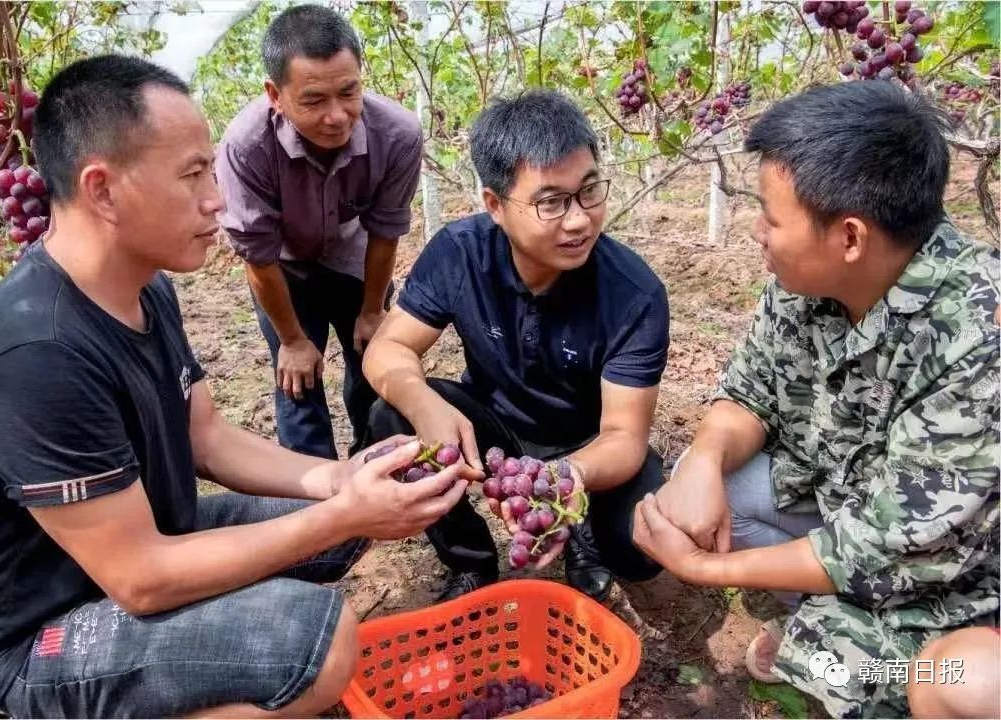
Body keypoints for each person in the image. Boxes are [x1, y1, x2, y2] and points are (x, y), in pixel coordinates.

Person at [0, 55, 472, 719]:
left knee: (339, 519)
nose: (216, 197)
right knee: (318, 638)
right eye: (192, 175)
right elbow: (141, 578)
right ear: (103, 190)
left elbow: (207, 437)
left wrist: (341, 481)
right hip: (47, 638)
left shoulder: (145, 289)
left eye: (211, 170)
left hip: (146, 543)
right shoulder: (34, 353)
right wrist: (342, 512)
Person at [633, 81, 999, 718]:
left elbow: (885, 547)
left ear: (849, 237)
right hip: (854, 511)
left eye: (771, 219)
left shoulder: (978, 335)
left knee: (945, 678)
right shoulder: (805, 278)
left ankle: (852, 648)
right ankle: (825, 625)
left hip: (955, 575)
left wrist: (701, 569)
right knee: (713, 487)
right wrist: (703, 458)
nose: (758, 233)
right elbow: (749, 391)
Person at [361, 89, 669, 602]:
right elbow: (387, 349)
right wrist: (421, 402)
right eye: (551, 202)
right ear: (495, 206)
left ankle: (586, 535)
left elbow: (624, 435)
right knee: (390, 417)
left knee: (637, 548)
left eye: (589, 191)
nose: (579, 219)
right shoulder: (460, 254)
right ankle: (471, 559)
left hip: (588, 443)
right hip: (494, 430)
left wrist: (567, 477)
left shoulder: (634, 295)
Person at [215, 4, 423, 460]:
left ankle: (378, 469)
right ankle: (315, 492)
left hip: (355, 259)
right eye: (313, 101)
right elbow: (258, 257)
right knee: (298, 383)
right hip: (283, 269)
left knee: (373, 367)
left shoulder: (398, 134)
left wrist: (372, 310)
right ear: (275, 95)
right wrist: (292, 340)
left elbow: (385, 230)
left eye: (348, 93)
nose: (337, 116)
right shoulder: (245, 148)